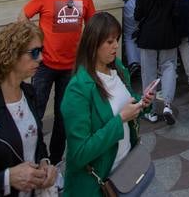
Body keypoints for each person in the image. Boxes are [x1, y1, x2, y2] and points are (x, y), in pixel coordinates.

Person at [61, 12, 157, 195]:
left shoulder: (117, 67)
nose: (116, 46)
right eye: (109, 42)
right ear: (93, 43)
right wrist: (120, 119)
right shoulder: (78, 89)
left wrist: (142, 102)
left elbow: (125, 101)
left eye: (117, 40)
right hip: (95, 185)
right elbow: (79, 153)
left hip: (124, 172)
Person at [0, 20, 57, 195]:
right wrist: (7, 179)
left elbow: (37, 141)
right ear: (12, 55)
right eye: (34, 52)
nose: (41, 58)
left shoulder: (29, 93)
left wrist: (45, 162)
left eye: (41, 51)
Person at [20, 0, 95, 166]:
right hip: (45, 65)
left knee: (64, 116)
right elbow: (23, 15)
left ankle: (54, 161)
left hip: (70, 66)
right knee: (37, 112)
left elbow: (91, 25)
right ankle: (33, 157)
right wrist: (35, 46)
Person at [134, 0, 181, 125]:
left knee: (149, 72)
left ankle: (151, 110)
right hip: (168, 34)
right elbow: (176, 12)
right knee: (169, 67)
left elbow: (137, 15)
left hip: (148, 35)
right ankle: (167, 104)